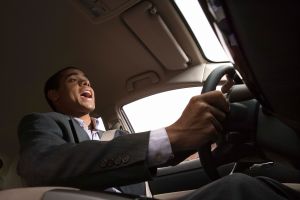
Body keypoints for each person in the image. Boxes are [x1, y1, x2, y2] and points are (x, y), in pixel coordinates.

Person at [17, 67, 300, 199]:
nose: (84, 83)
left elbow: (157, 158)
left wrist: (212, 137)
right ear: (54, 94)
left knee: (251, 176)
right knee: (239, 189)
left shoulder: (114, 136)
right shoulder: (43, 122)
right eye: (73, 80)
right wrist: (173, 134)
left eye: (87, 80)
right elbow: (40, 165)